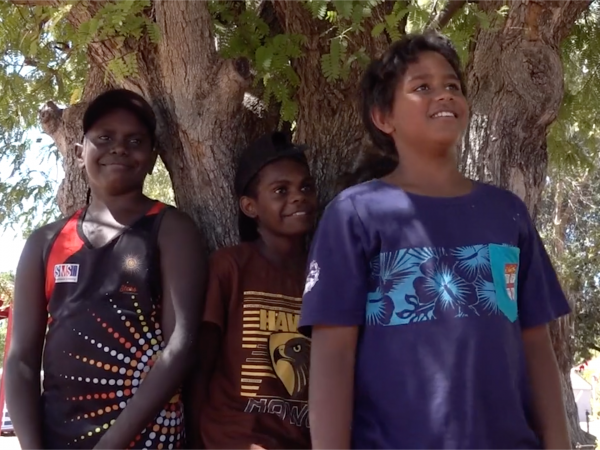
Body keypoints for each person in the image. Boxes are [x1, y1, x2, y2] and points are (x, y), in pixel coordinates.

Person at [299, 32, 571, 450]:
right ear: (383, 118)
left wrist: (559, 444)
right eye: (421, 87)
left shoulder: (507, 213)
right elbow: (334, 356)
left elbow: (536, 344)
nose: (442, 95)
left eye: (452, 86)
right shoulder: (354, 214)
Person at [5, 89, 207, 450]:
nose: (119, 147)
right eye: (104, 138)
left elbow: (182, 345)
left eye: (135, 140)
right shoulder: (45, 242)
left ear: (152, 158)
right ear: (80, 153)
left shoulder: (172, 230)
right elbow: (20, 359)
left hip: (148, 441)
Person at [189, 132, 317, 449]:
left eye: (305, 187)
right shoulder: (230, 267)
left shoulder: (323, 274)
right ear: (250, 206)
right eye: (280, 190)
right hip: (234, 438)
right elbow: (201, 362)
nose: (298, 196)